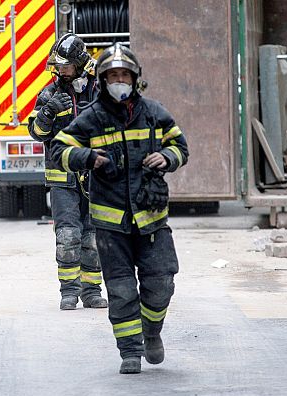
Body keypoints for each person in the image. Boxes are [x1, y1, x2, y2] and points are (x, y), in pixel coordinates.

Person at [50, 43, 189, 374]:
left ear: (135, 78)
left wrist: (168, 157)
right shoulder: (92, 119)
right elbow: (59, 150)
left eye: (124, 74)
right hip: (111, 226)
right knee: (122, 290)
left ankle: (152, 332)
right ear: (102, 80)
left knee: (161, 284)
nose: (119, 80)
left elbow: (180, 146)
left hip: (152, 220)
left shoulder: (155, 113)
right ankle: (130, 350)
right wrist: (88, 157)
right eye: (113, 75)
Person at [28, 33, 108, 310]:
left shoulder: (99, 91)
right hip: (62, 177)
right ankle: (69, 291)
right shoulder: (49, 95)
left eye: (65, 65)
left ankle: (92, 291)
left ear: (79, 64)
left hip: (95, 175)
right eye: (57, 66)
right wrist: (47, 113)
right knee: (67, 236)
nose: (59, 70)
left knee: (93, 237)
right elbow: (37, 134)